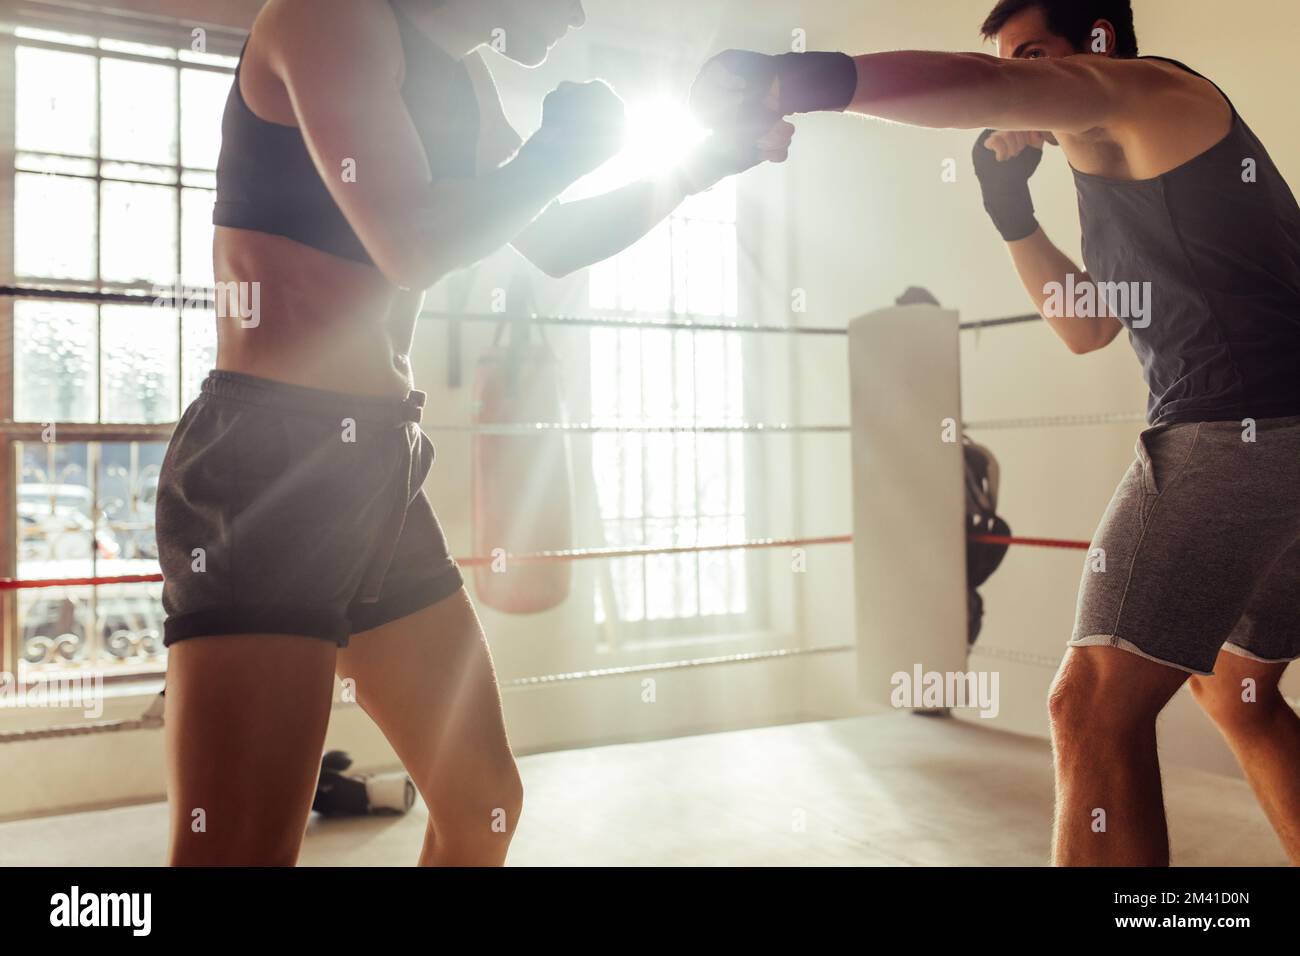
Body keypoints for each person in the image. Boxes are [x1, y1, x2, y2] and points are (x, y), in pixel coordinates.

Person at [157, 0, 791, 867]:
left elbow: (554, 239)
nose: (572, 18)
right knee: (236, 853)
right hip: (273, 464)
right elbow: (410, 244)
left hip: (379, 465)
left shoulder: (464, 76)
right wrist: (558, 152)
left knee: (484, 802)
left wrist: (705, 164)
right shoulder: (327, 16)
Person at [689, 0, 1300, 866]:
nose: (1021, 78)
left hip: (1237, 431)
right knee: (1238, 691)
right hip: (1279, 441)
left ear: (1097, 43)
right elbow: (1088, 325)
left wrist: (794, 79)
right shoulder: (1122, 149)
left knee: (1087, 706)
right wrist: (1010, 211)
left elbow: (979, 83)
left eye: (1035, 56)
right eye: (1013, 59)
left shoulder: (1146, 93)